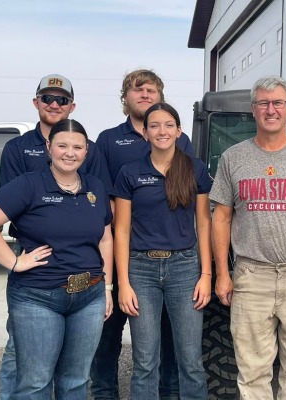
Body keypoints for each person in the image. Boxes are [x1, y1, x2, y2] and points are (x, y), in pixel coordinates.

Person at [0, 119, 114, 399]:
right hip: (39, 297)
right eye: (62, 145)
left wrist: (107, 287)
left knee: (76, 381)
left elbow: (105, 238)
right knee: (36, 382)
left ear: (87, 152)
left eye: (77, 147)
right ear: (49, 147)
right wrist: (13, 263)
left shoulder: (95, 187)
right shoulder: (29, 184)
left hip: (89, 296)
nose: (69, 153)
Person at [210, 76, 286, 399]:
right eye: (263, 103)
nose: (271, 109)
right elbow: (221, 217)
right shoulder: (232, 159)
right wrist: (223, 274)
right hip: (252, 275)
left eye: (278, 102)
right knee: (252, 371)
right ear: (253, 110)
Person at [93, 69, 194, 399]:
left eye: (152, 90)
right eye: (138, 90)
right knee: (110, 333)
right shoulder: (109, 139)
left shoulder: (181, 140)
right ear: (126, 97)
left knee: (168, 337)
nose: (145, 94)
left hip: (173, 258)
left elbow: (189, 196)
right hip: (124, 254)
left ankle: (170, 393)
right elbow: (104, 196)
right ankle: (105, 393)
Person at [114, 103, 211, 399]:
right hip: (141, 270)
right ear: (144, 133)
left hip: (184, 268)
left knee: (191, 360)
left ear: (178, 131)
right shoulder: (129, 173)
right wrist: (123, 284)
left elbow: (204, 224)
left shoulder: (195, 169)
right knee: (145, 361)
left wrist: (206, 274)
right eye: (154, 125)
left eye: (169, 125)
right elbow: (121, 230)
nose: (162, 131)